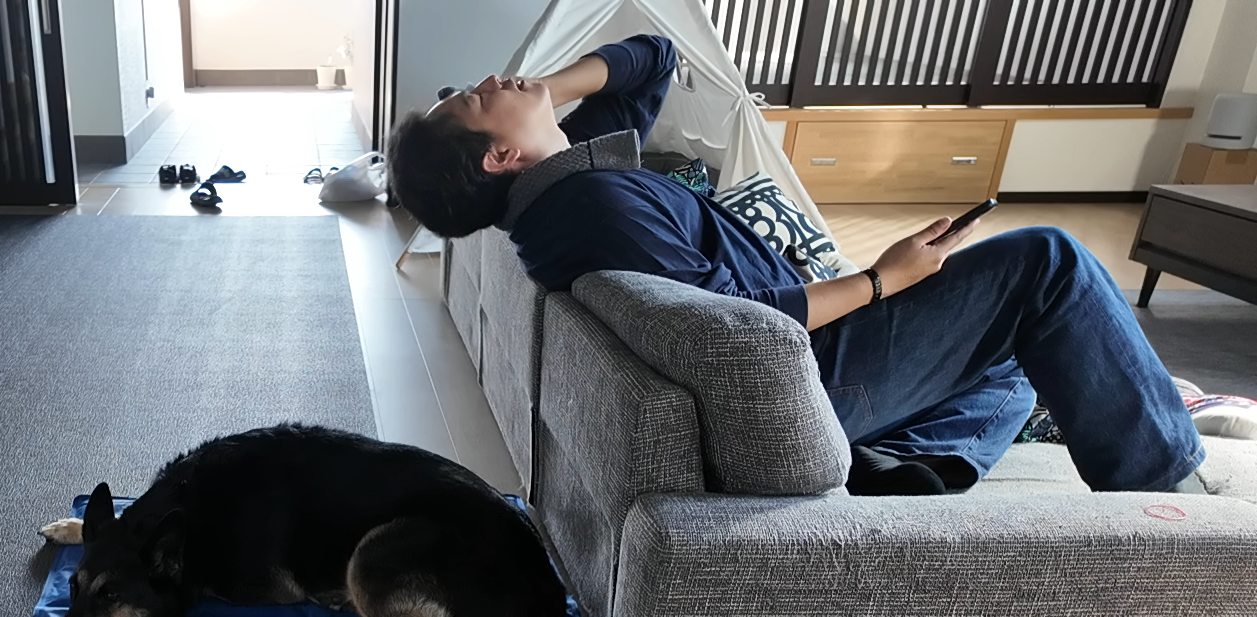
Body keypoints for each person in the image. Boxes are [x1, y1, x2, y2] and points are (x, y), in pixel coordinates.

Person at [388, 35, 1208, 496]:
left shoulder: (565, 185)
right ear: (500, 156)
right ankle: (1165, 498)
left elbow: (653, 57)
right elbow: (746, 326)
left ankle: (915, 467)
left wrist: (536, 90)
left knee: (1015, 351)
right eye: (479, 97)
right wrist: (885, 279)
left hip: (819, 355)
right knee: (1050, 266)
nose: (492, 78)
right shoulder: (593, 208)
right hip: (820, 374)